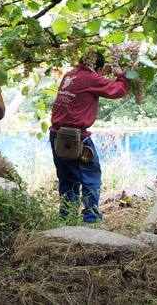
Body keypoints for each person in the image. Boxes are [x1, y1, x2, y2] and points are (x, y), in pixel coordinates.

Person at [49, 53, 128, 224]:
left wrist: (100, 74)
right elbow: (119, 90)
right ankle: (91, 219)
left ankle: (67, 218)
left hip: (56, 135)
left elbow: (87, 84)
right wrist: (121, 75)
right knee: (91, 176)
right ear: (97, 68)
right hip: (77, 138)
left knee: (67, 176)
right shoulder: (92, 78)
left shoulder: (69, 76)